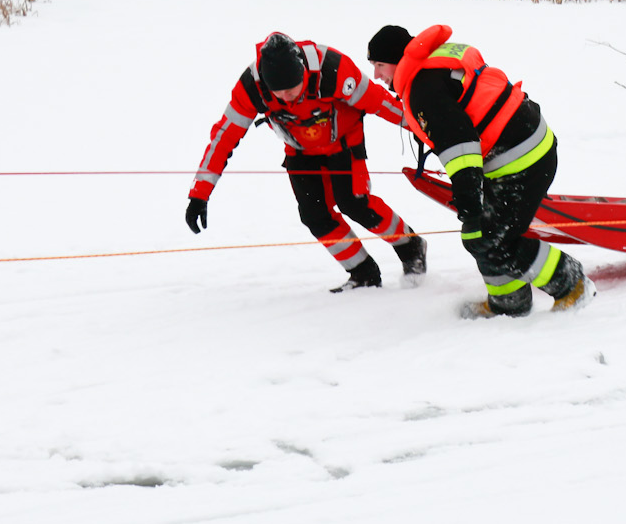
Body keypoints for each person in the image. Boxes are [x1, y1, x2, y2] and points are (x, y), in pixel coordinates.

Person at [366, 23, 594, 318]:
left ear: (397, 59)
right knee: (482, 236)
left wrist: (470, 205)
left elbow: (461, 148)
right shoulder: (431, 64)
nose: (376, 75)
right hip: (524, 145)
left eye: (380, 65)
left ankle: (572, 284)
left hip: (523, 158)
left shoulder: (424, 87)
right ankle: (509, 303)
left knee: (489, 238)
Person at [186, 32, 426, 291]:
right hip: (299, 150)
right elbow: (223, 138)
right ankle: (363, 272)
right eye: (278, 92)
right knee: (315, 216)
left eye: (291, 89)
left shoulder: (332, 69)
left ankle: (410, 246)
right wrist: (200, 195)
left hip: (344, 142)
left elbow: (379, 102)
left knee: (354, 203)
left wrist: (422, 127)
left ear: (303, 73)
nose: (286, 96)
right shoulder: (251, 87)